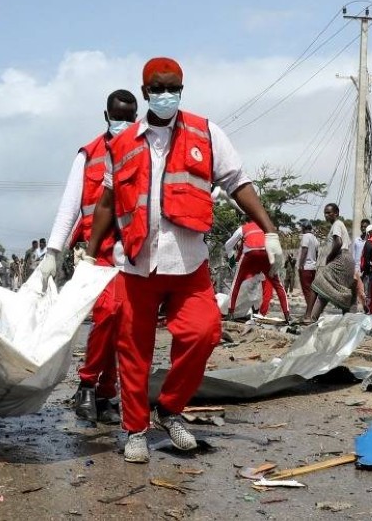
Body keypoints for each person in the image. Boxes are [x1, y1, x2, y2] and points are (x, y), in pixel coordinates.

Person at [84, 57, 282, 463]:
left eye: (173, 88)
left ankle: (170, 408)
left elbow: (237, 182)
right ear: (145, 93)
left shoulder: (206, 133)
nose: (166, 95)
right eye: (158, 88)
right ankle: (135, 428)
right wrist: (89, 256)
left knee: (204, 333)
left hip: (188, 262)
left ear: (182, 90)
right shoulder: (121, 145)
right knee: (133, 350)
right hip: (137, 262)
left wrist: (270, 228)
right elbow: (106, 203)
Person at [39, 89, 138, 424]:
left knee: (124, 322)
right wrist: (54, 251)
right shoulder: (89, 154)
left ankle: (107, 392)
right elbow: (70, 206)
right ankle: (86, 384)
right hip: (96, 253)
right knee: (108, 312)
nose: (123, 122)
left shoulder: (145, 150)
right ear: (106, 115)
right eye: (118, 115)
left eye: (130, 116)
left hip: (135, 252)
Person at [224, 218, 291, 323]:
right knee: (278, 286)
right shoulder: (267, 226)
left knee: (236, 284)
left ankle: (230, 313)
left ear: (247, 221)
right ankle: (287, 316)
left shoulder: (244, 228)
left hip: (250, 255)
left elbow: (228, 244)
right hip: (266, 254)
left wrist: (230, 257)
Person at [303, 203, 354, 322]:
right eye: (325, 213)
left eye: (329, 213)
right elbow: (347, 244)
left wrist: (329, 258)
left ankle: (308, 316)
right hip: (348, 259)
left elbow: (339, 243)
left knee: (317, 283)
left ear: (336, 213)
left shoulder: (337, 224)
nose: (326, 215)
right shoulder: (340, 225)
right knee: (331, 289)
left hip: (340, 258)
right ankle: (345, 319)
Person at [298, 221, 319, 313]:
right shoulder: (315, 239)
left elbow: (305, 250)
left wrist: (301, 264)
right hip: (313, 268)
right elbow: (317, 254)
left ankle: (309, 313)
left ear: (304, 228)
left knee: (307, 291)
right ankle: (313, 311)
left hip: (305, 268)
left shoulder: (305, 237)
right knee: (312, 291)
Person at [352, 218, 371, 312]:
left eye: (365, 227)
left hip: (367, 269)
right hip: (357, 269)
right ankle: (364, 308)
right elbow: (354, 255)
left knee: (367, 290)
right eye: (362, 226)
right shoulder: (357, 240)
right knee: (359, 291)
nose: (363, 228)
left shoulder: (371, 240)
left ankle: (368, 309)